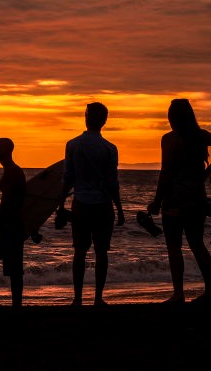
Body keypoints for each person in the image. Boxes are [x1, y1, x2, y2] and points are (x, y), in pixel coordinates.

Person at [147, 99, 211, 304]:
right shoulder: (199, 136)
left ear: (171, 117)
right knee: (197, 244)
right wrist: (209, 171)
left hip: (174, 200)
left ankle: (178, 294)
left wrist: (156, 201)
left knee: (174, 248)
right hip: (196, 200)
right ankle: (210, 291)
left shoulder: (169, 139)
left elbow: (165, 173)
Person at [56, 102, 125, 306]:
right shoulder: (110, 148)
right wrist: (119, 209)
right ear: (104, 120)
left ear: (86, 117)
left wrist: (60, 205)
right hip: (103, 205)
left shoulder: (73, 145)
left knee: (79, 251)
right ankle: (97, 298)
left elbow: (67, 178)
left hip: (81, 204)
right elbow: (113, 183)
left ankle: (77, 298)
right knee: (101, 252)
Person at [0, 138, 27, 307]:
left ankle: (17, 305)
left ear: (5, 150)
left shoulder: (13, 172)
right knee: (13, 268)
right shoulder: (11, 171)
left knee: (14, 269)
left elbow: (8, 204)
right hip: (13, 225)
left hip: (12, 226)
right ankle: (16, 304)